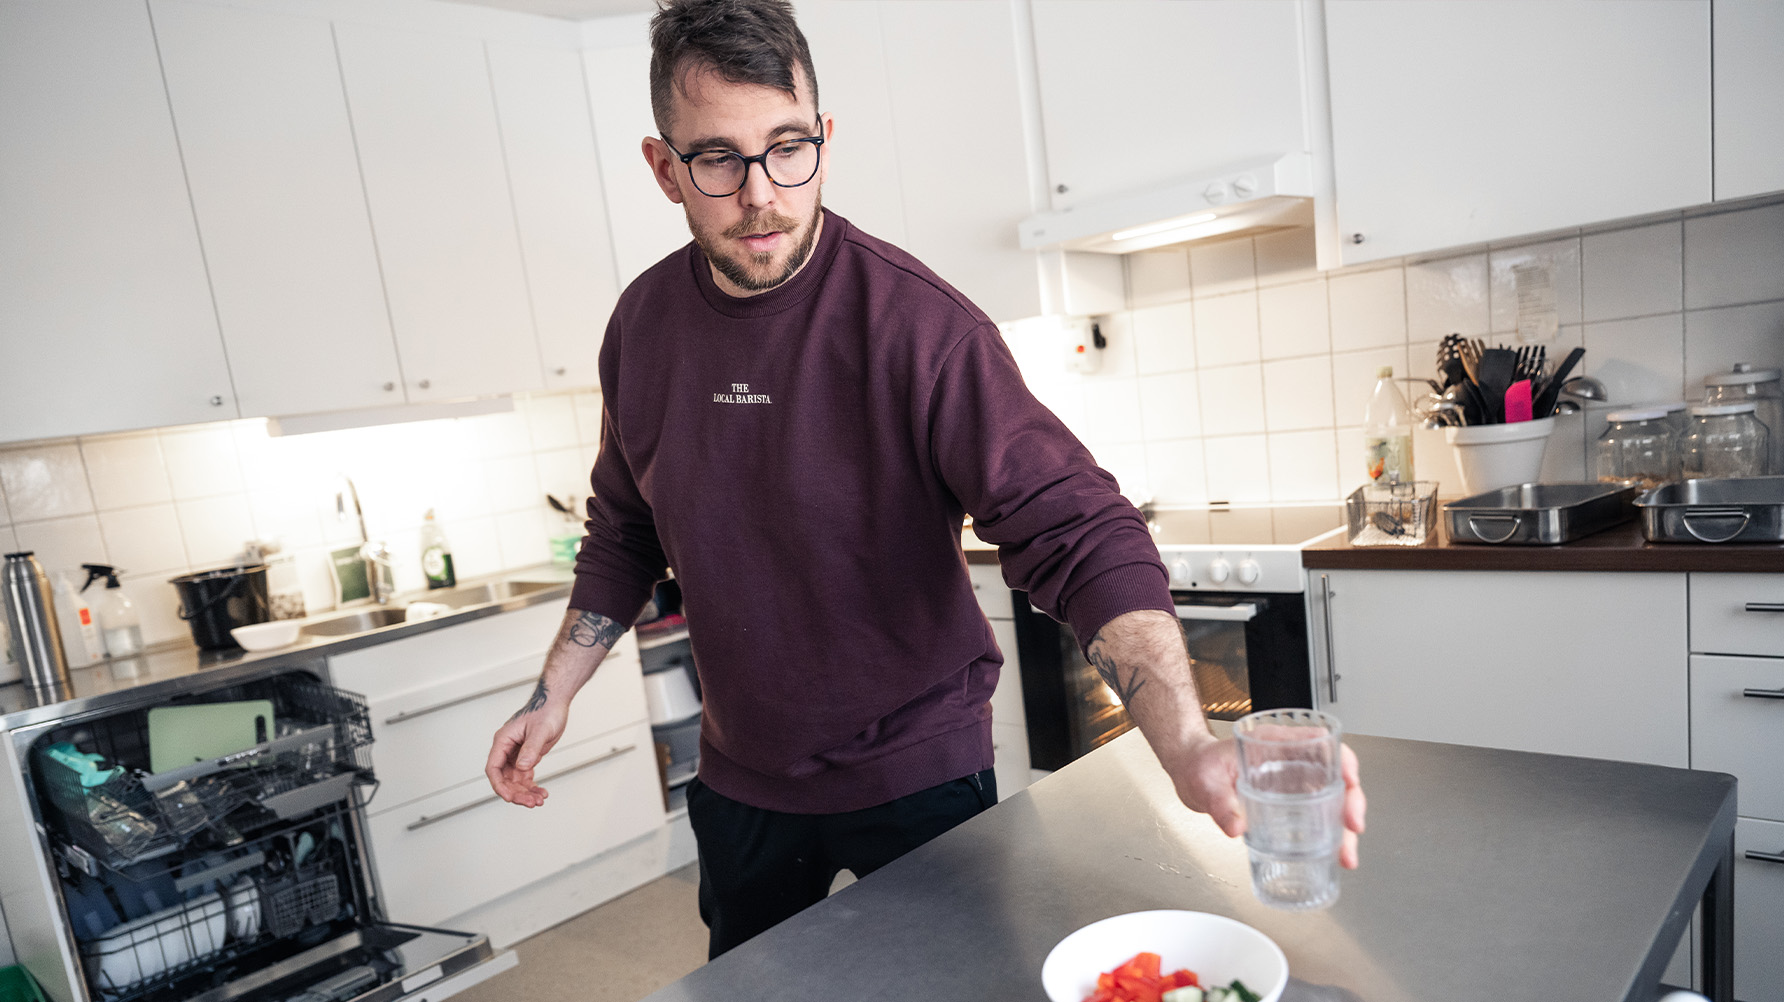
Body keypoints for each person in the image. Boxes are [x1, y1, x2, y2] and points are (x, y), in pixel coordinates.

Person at [485, 0, 1365, 959]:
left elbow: (1077, 530)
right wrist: (553, 693)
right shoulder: (642, 329)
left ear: (824, 137)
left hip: (917, 775)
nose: (761, 194)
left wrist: (1190, 741)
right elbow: (622, 528)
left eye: (788, 148)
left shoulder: (921, 329)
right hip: (741, 780)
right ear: (664, 168)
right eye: (717, 159)